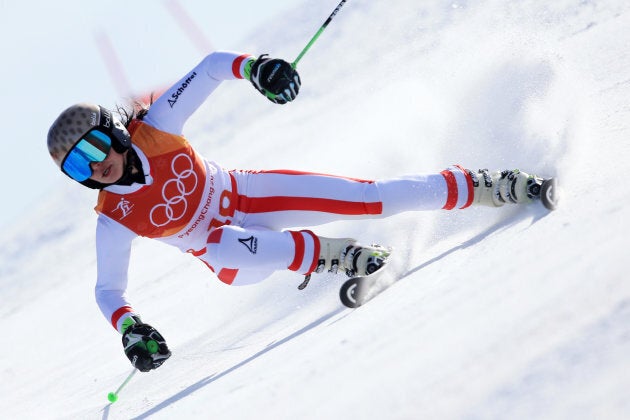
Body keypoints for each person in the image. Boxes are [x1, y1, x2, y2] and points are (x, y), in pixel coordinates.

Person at [47, 51, 551, 372]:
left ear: (111, 132)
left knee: (369, 197)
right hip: (228, 256)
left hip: (247, 194)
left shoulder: (158, 126)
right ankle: (342, 257)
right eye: (77, 167)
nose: (96, 167)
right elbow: (108, 289)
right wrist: (130, 327)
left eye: (93, 149)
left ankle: (487, 186)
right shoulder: (113, 216)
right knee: (224, 241)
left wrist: (257, 69)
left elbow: (210, 67)